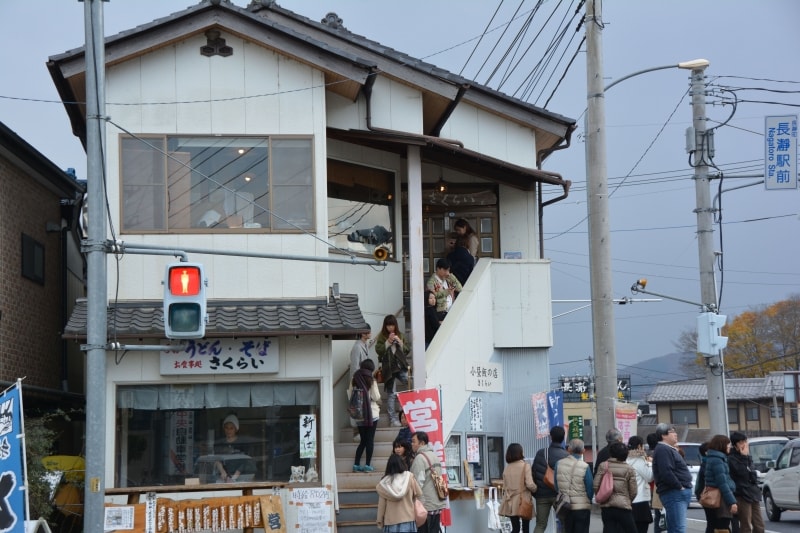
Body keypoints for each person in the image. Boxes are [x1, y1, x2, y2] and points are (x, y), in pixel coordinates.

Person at [652, 423, 693, 533]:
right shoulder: (663, 449)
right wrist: (679, 486)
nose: (675, 434)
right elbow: (666, 472)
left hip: (676, 493)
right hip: (674, 493)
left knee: (675, 527)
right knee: (678, 528)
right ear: (663, 435)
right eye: (672, 432)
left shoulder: (668, 449)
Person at [593, 442, 637, 533]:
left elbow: (596, 485)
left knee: (609, 529)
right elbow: (633, 491)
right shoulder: (629, 469)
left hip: (607, 506)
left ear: (611, 453)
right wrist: (627, 500)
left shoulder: (603, 465)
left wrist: (602, 496)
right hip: (623, 507)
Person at [532, 425, 569, 533]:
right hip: (560, 495)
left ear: (551, 437)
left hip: (542, 495)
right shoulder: (566, 455)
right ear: (563, 438)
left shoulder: (541, 453)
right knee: (564, 522)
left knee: (541, 524)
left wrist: (536, 493)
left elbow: (533, 473)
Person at [375, 314, 411, 427]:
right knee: (391, 394)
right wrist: (387, 343)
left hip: (400, 366)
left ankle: (405, 409)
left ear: (395, 325)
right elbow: (379, 351)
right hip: (388, 368)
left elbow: (407, 350)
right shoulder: (381, 336)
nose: (390, 328)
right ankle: (392, 419)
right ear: (385, 326)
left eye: (392, 325)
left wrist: (400, 343)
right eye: (388, 326)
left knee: (408, 383)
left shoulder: (400, 335)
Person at [348, 359, 381, 472]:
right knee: (370, 440)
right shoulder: (371, 380)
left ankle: (356, 465)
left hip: (359, 414)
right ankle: (367, 465)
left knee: (363, 440)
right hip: (372, 413)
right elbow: (376, 397)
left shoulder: (354, 379)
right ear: (371, 369)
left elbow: (350, 396)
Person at [376, 453, 423, 533]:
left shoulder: (384, 483)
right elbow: (419, 493)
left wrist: (380, 520)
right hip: (408, 519)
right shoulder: (409, 477)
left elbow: (382, 505)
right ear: (402, 464)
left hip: (391, 522)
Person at [728, 432, 764, 533]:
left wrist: (746, 459)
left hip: (753, 492)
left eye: (745, 441)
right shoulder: (731, 458)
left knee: (759, 525)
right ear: (735, 444)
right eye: (741, 442)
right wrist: (744, 457)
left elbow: (752, 473)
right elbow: (741, 473)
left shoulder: (748, 456)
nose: (744, 444)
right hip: (741, 494)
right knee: (746, 525)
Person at [554, 438, 593, 533]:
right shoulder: (585, 466)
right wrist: (588, 500)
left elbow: (556, 485)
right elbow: (590, 489)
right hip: (582, 508)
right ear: (583, 451)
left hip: (566, 507)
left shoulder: (558, 464)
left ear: (569, 450)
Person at [410, 431, 446, 533]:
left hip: (425, 505)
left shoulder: (420, 458)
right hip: (437, 503)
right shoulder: (435, 456)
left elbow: (417, 483)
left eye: (413, 441)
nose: (412, 444)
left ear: (421, 443)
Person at [703, 434, 738, 533]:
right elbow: (722, 483)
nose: (730, 446)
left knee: (712, 526)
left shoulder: (714, 458)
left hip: (713, 496)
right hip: (720, 498)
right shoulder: (718, 460)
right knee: (722, 526)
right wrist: (732, 502)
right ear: (722, 445)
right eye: (728, 444)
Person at [499, 443, 536, 533]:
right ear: (520, 452)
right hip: (523, 500)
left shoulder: (507, 468)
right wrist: (536, 489)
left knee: (515, 528)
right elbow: (530, 484)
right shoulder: (525, 466)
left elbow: (505, 486)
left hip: (510, 501)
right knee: (525, 529)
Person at [214, 414, 256, 482]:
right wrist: (223, 472)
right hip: (224, 478)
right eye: (226, 428)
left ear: (236, 429)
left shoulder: (242, 443)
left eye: (231, 428)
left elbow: (245, 461)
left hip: (241, 477)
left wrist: (234, 477)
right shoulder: (220, 442)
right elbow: (217, 459)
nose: (228, 430)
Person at [349, 329, 373, 443]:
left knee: (362, 406)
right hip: (359, 382)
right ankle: (356, 432)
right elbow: (354, 366)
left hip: (364, 381)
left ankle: (360, 431)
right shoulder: (357, 346)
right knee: (357, 405)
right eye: (368, 331)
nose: (370, 333)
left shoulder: (365, 344)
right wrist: (357, 381)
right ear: (363, 333)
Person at [626, 436, 653, 533]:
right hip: (640, 499)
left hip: (628, 500)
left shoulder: (625, 459)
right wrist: (650, 464)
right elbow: (649, 476)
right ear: (639, 446)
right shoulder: (638, 460)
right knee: (641, 528)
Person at [647, 433, 665, 533]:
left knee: (658, 515)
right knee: (662, 514)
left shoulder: (645, 454)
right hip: (659, 486)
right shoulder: (661, 453)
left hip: (651, 487)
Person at [694, 442, 714, 533]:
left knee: (711, 522)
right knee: (712, 523)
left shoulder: (704, 463)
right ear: (706, 452)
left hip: (704, 496)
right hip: (709, 496)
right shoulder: (707, 465)